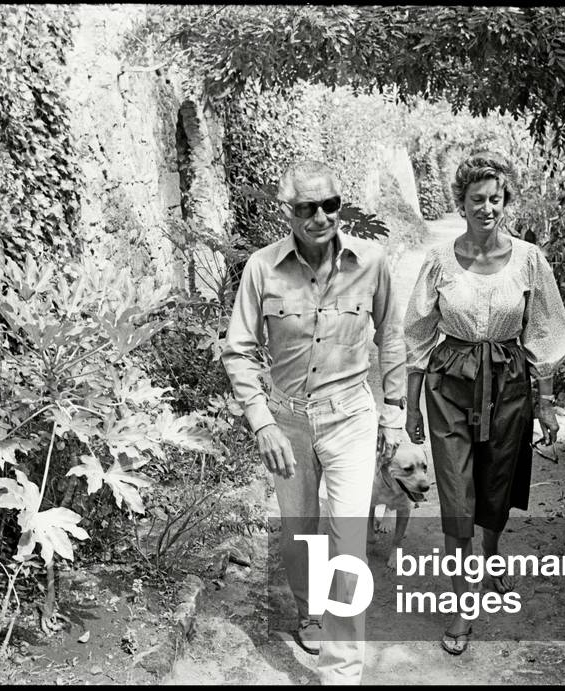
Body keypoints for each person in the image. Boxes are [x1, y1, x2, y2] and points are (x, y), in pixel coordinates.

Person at [221, 160, 406, 684]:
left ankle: (341, 673)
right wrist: (262, 423)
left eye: (330, 205)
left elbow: (390, 337)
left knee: (347, 544)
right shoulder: (261, 268)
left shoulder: (371, 262)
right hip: (287, 421)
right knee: (301, 533)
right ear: (290, 211)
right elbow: (238, 350)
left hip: (351, 415)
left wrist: (393, 415)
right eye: (308, 207)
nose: (321, 216)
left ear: (339, 205)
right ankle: (309, 608)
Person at [402, 150, 565, 655]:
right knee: (457, 495)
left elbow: (547, 329)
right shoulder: (437, 261)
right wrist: (411, 407)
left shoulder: (528, 261)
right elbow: (416, 334)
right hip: (450, 383)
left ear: (506, 202)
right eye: (477, 199)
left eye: (495, 198)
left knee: (498, 483)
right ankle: (460, 604)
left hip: (510, 381)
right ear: (461, 203)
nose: (487, 208)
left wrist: (545, 402)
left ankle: (490, 558)